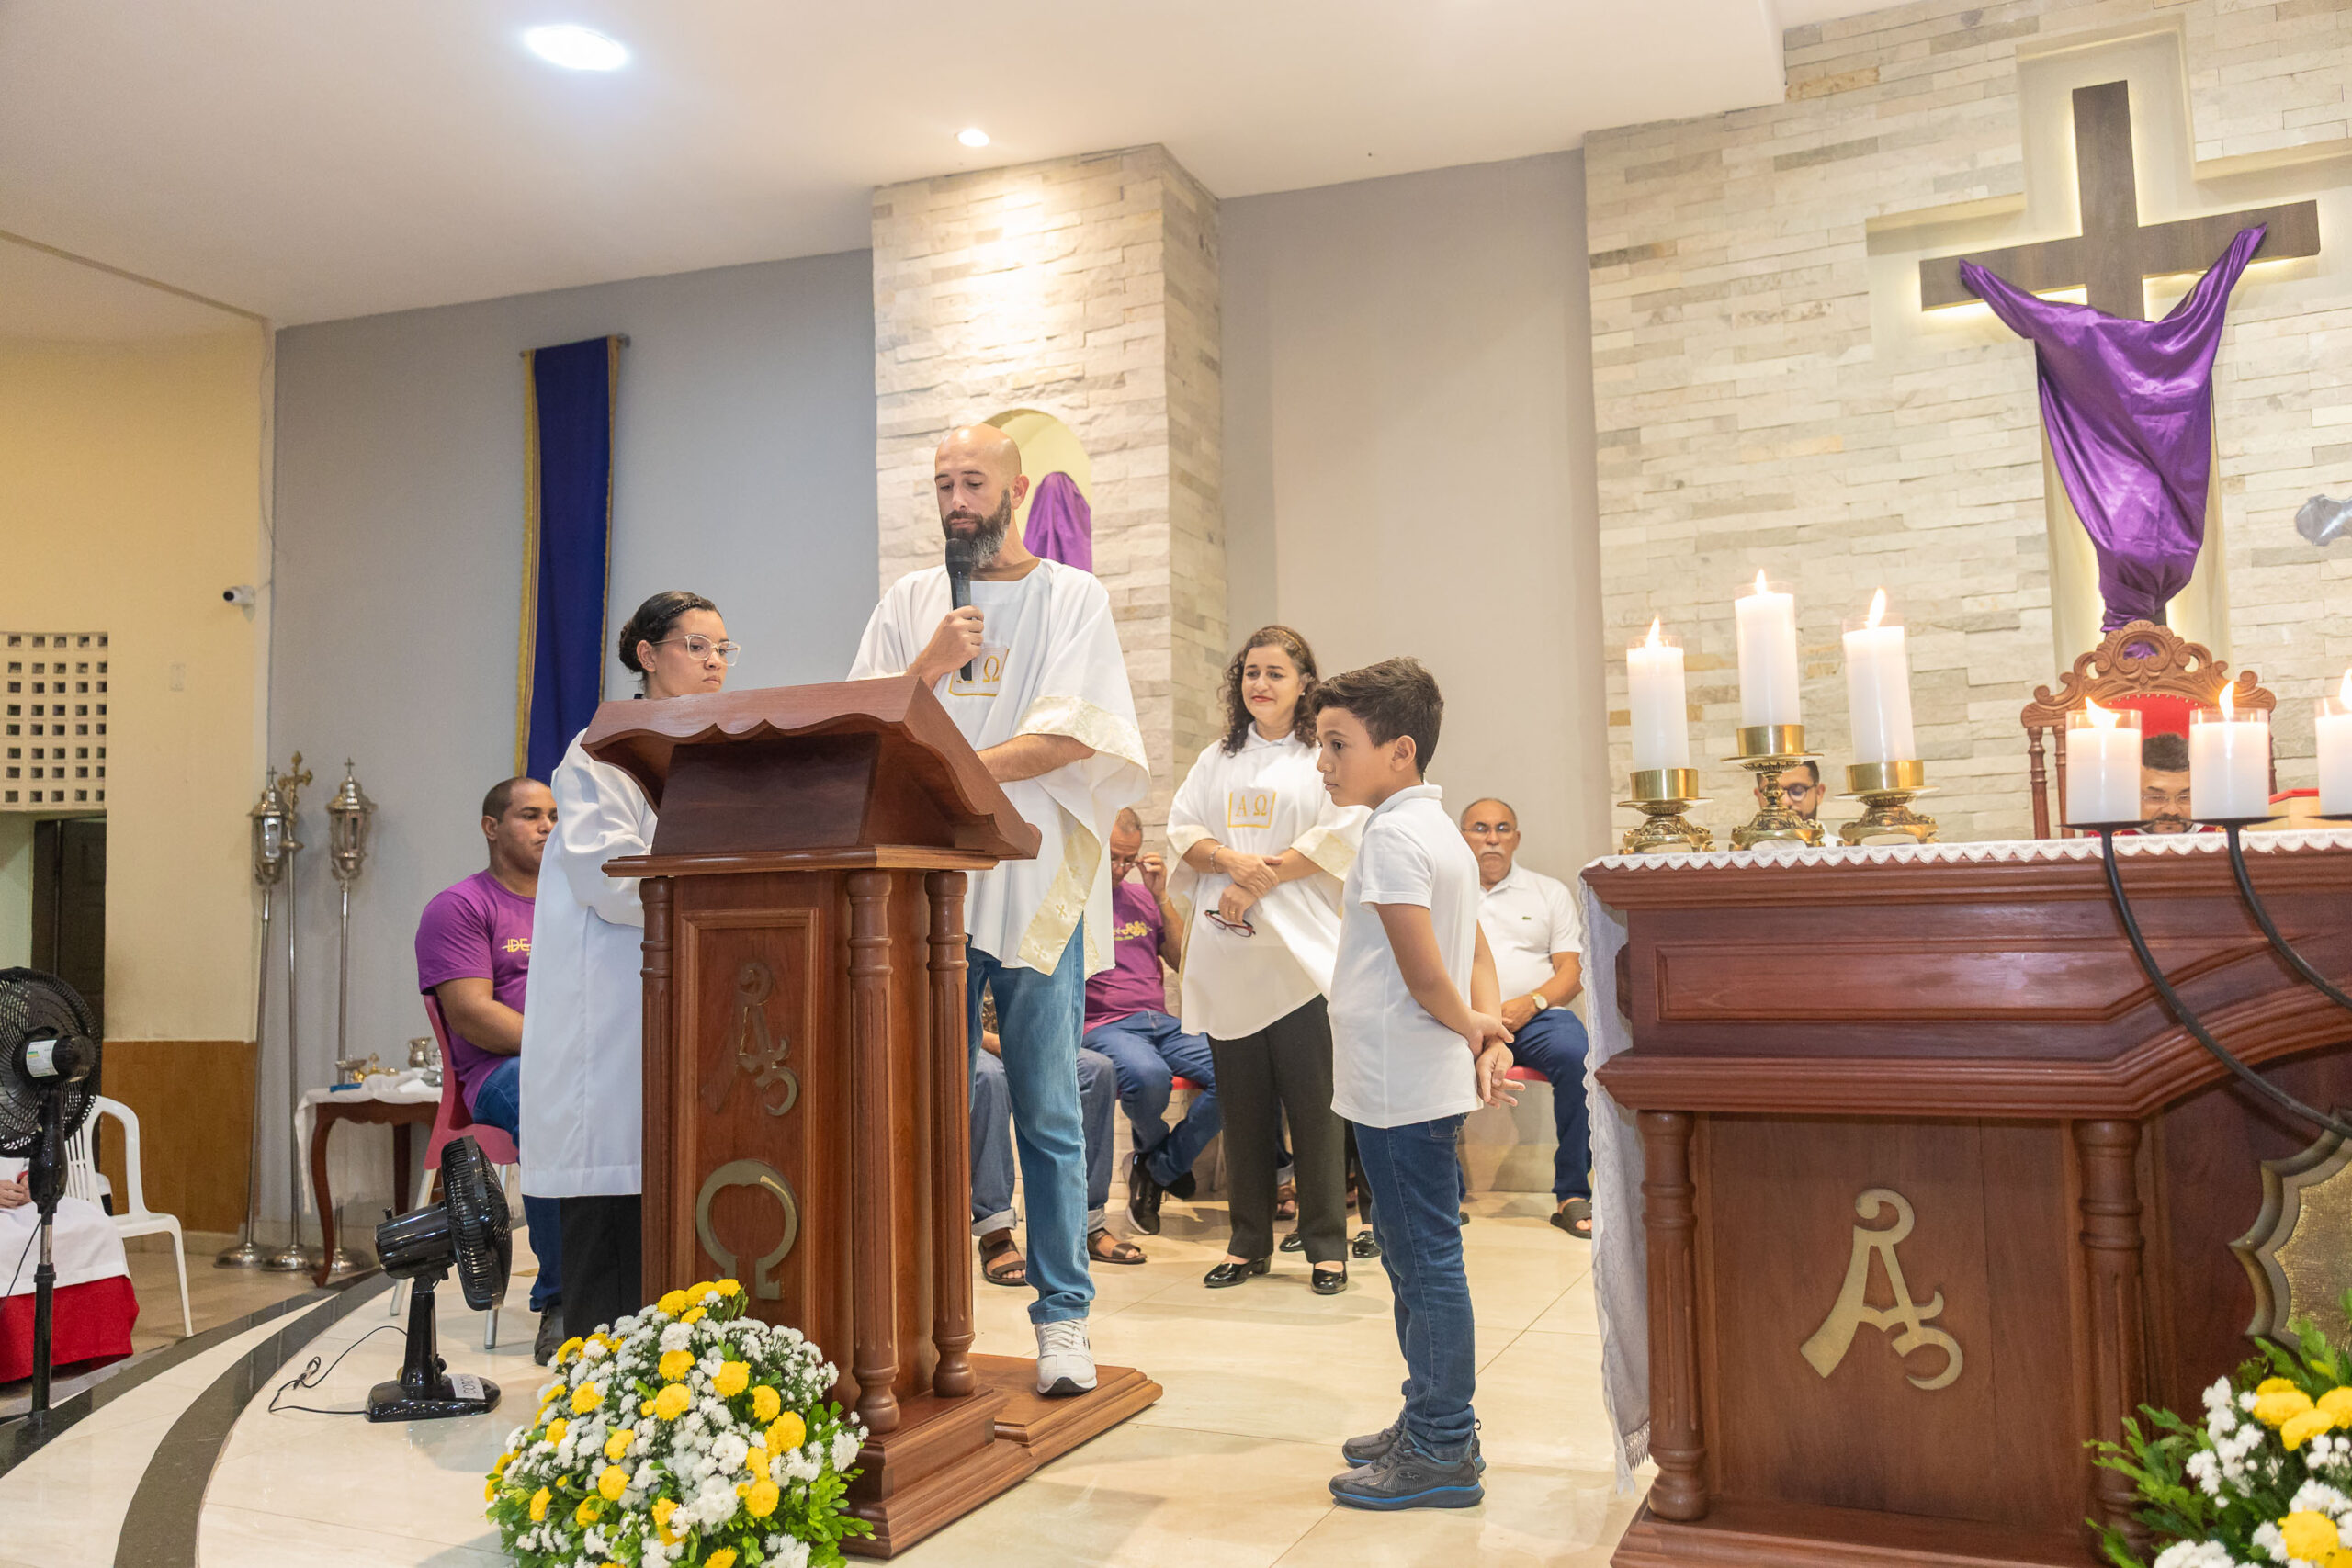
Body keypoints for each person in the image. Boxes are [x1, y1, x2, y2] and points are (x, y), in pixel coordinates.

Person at [849, 424, 1147, 1397]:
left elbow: (1072, 735)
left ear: (1016, 491)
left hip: (1033, 879)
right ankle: (921, 1318)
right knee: (918, 1106)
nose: (956, 501)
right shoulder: (910, 603)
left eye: (972, 482)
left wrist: (952, 772)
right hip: (925, 882)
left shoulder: (1071, 597)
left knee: (1049, 1109)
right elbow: (860, 727)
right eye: (942, 484)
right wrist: (928, 667)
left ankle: (1064, 1320)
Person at [1313, 656, 1517, 1510]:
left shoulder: (1394, 836)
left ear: (1400, 750)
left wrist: (1474, 1025)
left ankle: (1441, 1443)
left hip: (1398, 1075)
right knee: (1413, 1254)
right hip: (1412, 1071)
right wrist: (1485, 1025)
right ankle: (1430, 1417)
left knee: (1424, 1260)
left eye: (1338, 743)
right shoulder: (1433, 828)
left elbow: (1426, 970)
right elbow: (1475, 952)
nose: (1323, 761)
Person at [520, 590, 733, 1340]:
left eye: (723, 649)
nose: (714, 662)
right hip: (612, 1006)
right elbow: (607, 875)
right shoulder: (601, 749)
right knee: (616, 1202)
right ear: (647, 654)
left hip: (689, 997)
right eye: (697, 646)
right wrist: (714, 894)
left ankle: (669, 1369)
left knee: (678, 1203)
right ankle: (600, 1368)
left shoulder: (719, 749)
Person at [1168, 626, 1366, 1295]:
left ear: (1305, 683)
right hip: (1230, 956)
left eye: (1276, 673)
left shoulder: (1323, 756)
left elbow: (1339, 834)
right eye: (1251, 672)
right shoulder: (1217, 758)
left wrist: (1259, 879)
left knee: (1316, 1111)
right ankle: (1248, 1241)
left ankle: (1327, 1247)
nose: (1260, 684)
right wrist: (1228, 860)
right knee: (1243, 1111)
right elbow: (1183, 831)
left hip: (1299, 959)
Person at [416, 775, 565, 1360]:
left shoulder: (576, 902)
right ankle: (562, 1299)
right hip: (501, 1075)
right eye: (531, 815)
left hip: (577, 1063)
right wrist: (564, 1050)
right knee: (550, 1103)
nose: (547, 827)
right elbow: (473, 1015)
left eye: (553, 816)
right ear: (491, 827)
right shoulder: (460, 906)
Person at [1460, 797, 1592, 1240]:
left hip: (1536, 1019)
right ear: (1462, 837)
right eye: (1480, 828)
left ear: (1516, 838)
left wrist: (1531, 1004)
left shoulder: (1548, 891)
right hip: (1462, 1018)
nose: (1491, 839)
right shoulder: (1446, 893)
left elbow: (1572, 970)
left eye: (1502, 829)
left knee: (1578, 1055)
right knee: (1423, 1055)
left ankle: (1572, 1192)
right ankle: (1444, 1193)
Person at [1084, 807, 1220, 1235]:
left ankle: (1156, 1167)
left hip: (1160, 1021)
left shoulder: (1142, 897)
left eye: (1130, 859)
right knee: (1148, 1077)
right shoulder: (1074, 900)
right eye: (1113, 857)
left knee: (1237, 1069)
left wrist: (1161, 897)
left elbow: (1183, 962)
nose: (1121, 868)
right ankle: (1159, 1158)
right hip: (1104, 1024)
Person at [972, 1014, 1138, 1288]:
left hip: (1023, 1035)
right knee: (989, 1077)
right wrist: (995, 1041)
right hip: (968, 1040)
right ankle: (995, 1230)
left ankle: (1087, 1223)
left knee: (1096, 1069)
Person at [1, 1157, 137, 1379]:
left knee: (97, 1227)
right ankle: (16, 1361)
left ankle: (94, 1348)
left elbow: (29, 1156)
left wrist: (31, 1179)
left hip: (23, 1202)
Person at [2138, 731, 2199, 834]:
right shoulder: (2112, 839)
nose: (2172, 811)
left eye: (2185, 797)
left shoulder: (2223, 837)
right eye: (2156, 797)